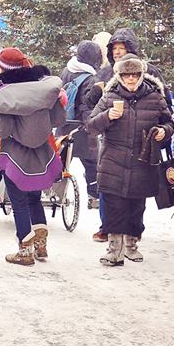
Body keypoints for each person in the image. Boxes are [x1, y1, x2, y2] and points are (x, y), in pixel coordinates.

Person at [0, 48, 65, 266]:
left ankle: (25, 251)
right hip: (41, 154)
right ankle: (41, 246)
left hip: (14, 156)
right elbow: (58, 119)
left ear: (3, 68)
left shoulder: (5, 97)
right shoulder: (43, 91)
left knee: (19, 203)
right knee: (34, 199)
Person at [88, 54, 173, 266]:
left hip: (143, 159)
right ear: (120, 76)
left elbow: (169, 122)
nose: (131, 79)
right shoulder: (109, 97)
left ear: (141, 75)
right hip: (113, 159)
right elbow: (91, 126)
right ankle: (114, 250)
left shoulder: (154, 97)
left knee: (136, 205)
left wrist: (164, 131)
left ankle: (132, 245)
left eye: (135, 75)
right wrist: (108, 116)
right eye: (127, 75)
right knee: (114, 206)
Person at [60, 40, 104, 223]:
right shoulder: (91, 78)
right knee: (92, 161)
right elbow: (87, 105)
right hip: (82, 127)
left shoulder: (67, 70)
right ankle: (94, 195)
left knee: (61, 160)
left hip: (64, 124)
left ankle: (55, 190)